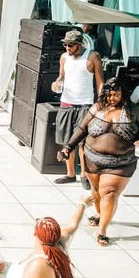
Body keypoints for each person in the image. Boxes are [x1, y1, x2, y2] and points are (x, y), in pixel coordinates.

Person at [59, 77, 139, 246]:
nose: (112, 98)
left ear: (124, 93)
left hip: (121, 162)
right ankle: (100, 214)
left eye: (116, 94)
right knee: (96, 191)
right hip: (92, 158)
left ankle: (102, 231)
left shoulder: (136, 112)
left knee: (108, 192)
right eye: (109, 95)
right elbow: (82, 129)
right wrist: (68, 148)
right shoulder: (97, 108)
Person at [53, 30, 104, 188]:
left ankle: (84, 175)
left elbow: (100, 81)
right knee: (66, 140)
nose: (67, 47)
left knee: (82, 142)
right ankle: (70, 174)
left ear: (80, 44)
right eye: (65, 44)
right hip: (66, 103)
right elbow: (61, 76)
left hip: (85, 104)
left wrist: (100, 103)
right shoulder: (64, 57)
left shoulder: (92, 57)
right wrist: (57, 82)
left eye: (70, 45)